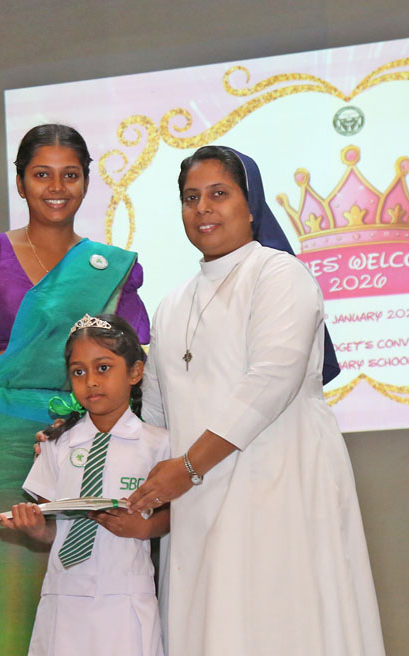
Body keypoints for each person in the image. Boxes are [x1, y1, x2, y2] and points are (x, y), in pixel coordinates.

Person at [128, 146, 386, 655]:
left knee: (285, 622)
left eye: (218, 194)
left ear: (252, 207)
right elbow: (156, 414)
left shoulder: (280, 274)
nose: (203, 208)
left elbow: (272, 381)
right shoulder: (171, 303)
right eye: (191, 198)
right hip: (198, 499)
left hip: (279, 483)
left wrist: (187, 468)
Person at [0, 124, 149, 654]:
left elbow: (132, 367)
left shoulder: (110, 269)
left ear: (86, 182)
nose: (56, 187)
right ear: (20, 182)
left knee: (81, 603)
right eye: (42, 175)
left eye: (70, 175)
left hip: (82, 447)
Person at [0, 313, 168, 656]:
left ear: (135, 372)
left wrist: (143, 527)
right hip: (63, 598)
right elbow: (54, 529)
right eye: (79, 372)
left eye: (103, 368)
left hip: (125, 598)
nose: (90, 381)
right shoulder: (57, 444)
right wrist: (35, 528)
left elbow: (180, 515)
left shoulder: (159, 445)